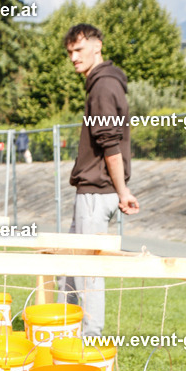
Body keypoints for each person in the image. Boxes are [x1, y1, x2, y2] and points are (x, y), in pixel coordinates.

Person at [62, 23, 139, 337]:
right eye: (69, 52)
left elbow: (110, 144)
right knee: (68, 266)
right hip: (92, 191)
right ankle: (60, 332)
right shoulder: (100, 84)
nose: (73, 58)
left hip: (97, 192)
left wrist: (122, 192)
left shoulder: (103, 86)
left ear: (97, 46)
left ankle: (89, 341)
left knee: (87, 272)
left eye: (78, 50)